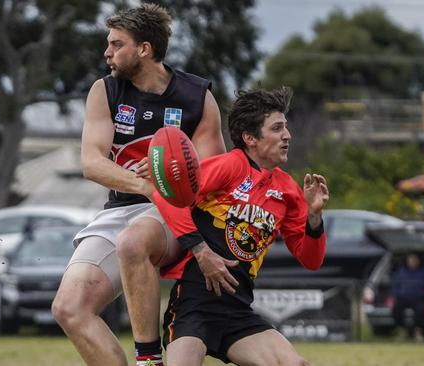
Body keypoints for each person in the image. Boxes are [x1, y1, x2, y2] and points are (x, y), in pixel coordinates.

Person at [50, 4, 226, 366]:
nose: (107, 53)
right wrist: (145, 184)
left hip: (177, 211)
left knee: (132, 243)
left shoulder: (197, 96)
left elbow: (211, 173)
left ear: (144, 49)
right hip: (124, 207)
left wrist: (173, 170)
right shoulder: (106, 91)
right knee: (69, 308)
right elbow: (92, 162)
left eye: (116, 44)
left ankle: (148, 359)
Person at [145, 87, 329, 365]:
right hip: (193, 306)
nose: (287, 136)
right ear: (250, 138)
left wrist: (314, 217)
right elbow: (167, 196)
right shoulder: (231, 165)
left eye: (286, 128)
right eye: (277, 128)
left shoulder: (288, 190)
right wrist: (201, 251)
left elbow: (311, 259)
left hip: (238, 311)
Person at [391, 253, 424, 342]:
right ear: (407, 261)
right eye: (410, 260)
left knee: (420, 309)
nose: (412, 262)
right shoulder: (401, 272)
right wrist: (400, 294)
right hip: (404, 297)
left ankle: (418, 333)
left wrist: (422, 295)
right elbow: (395, 288)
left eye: (414, 260)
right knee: (396, 308)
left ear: (418, 261)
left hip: (419, 298)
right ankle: (401, 331)